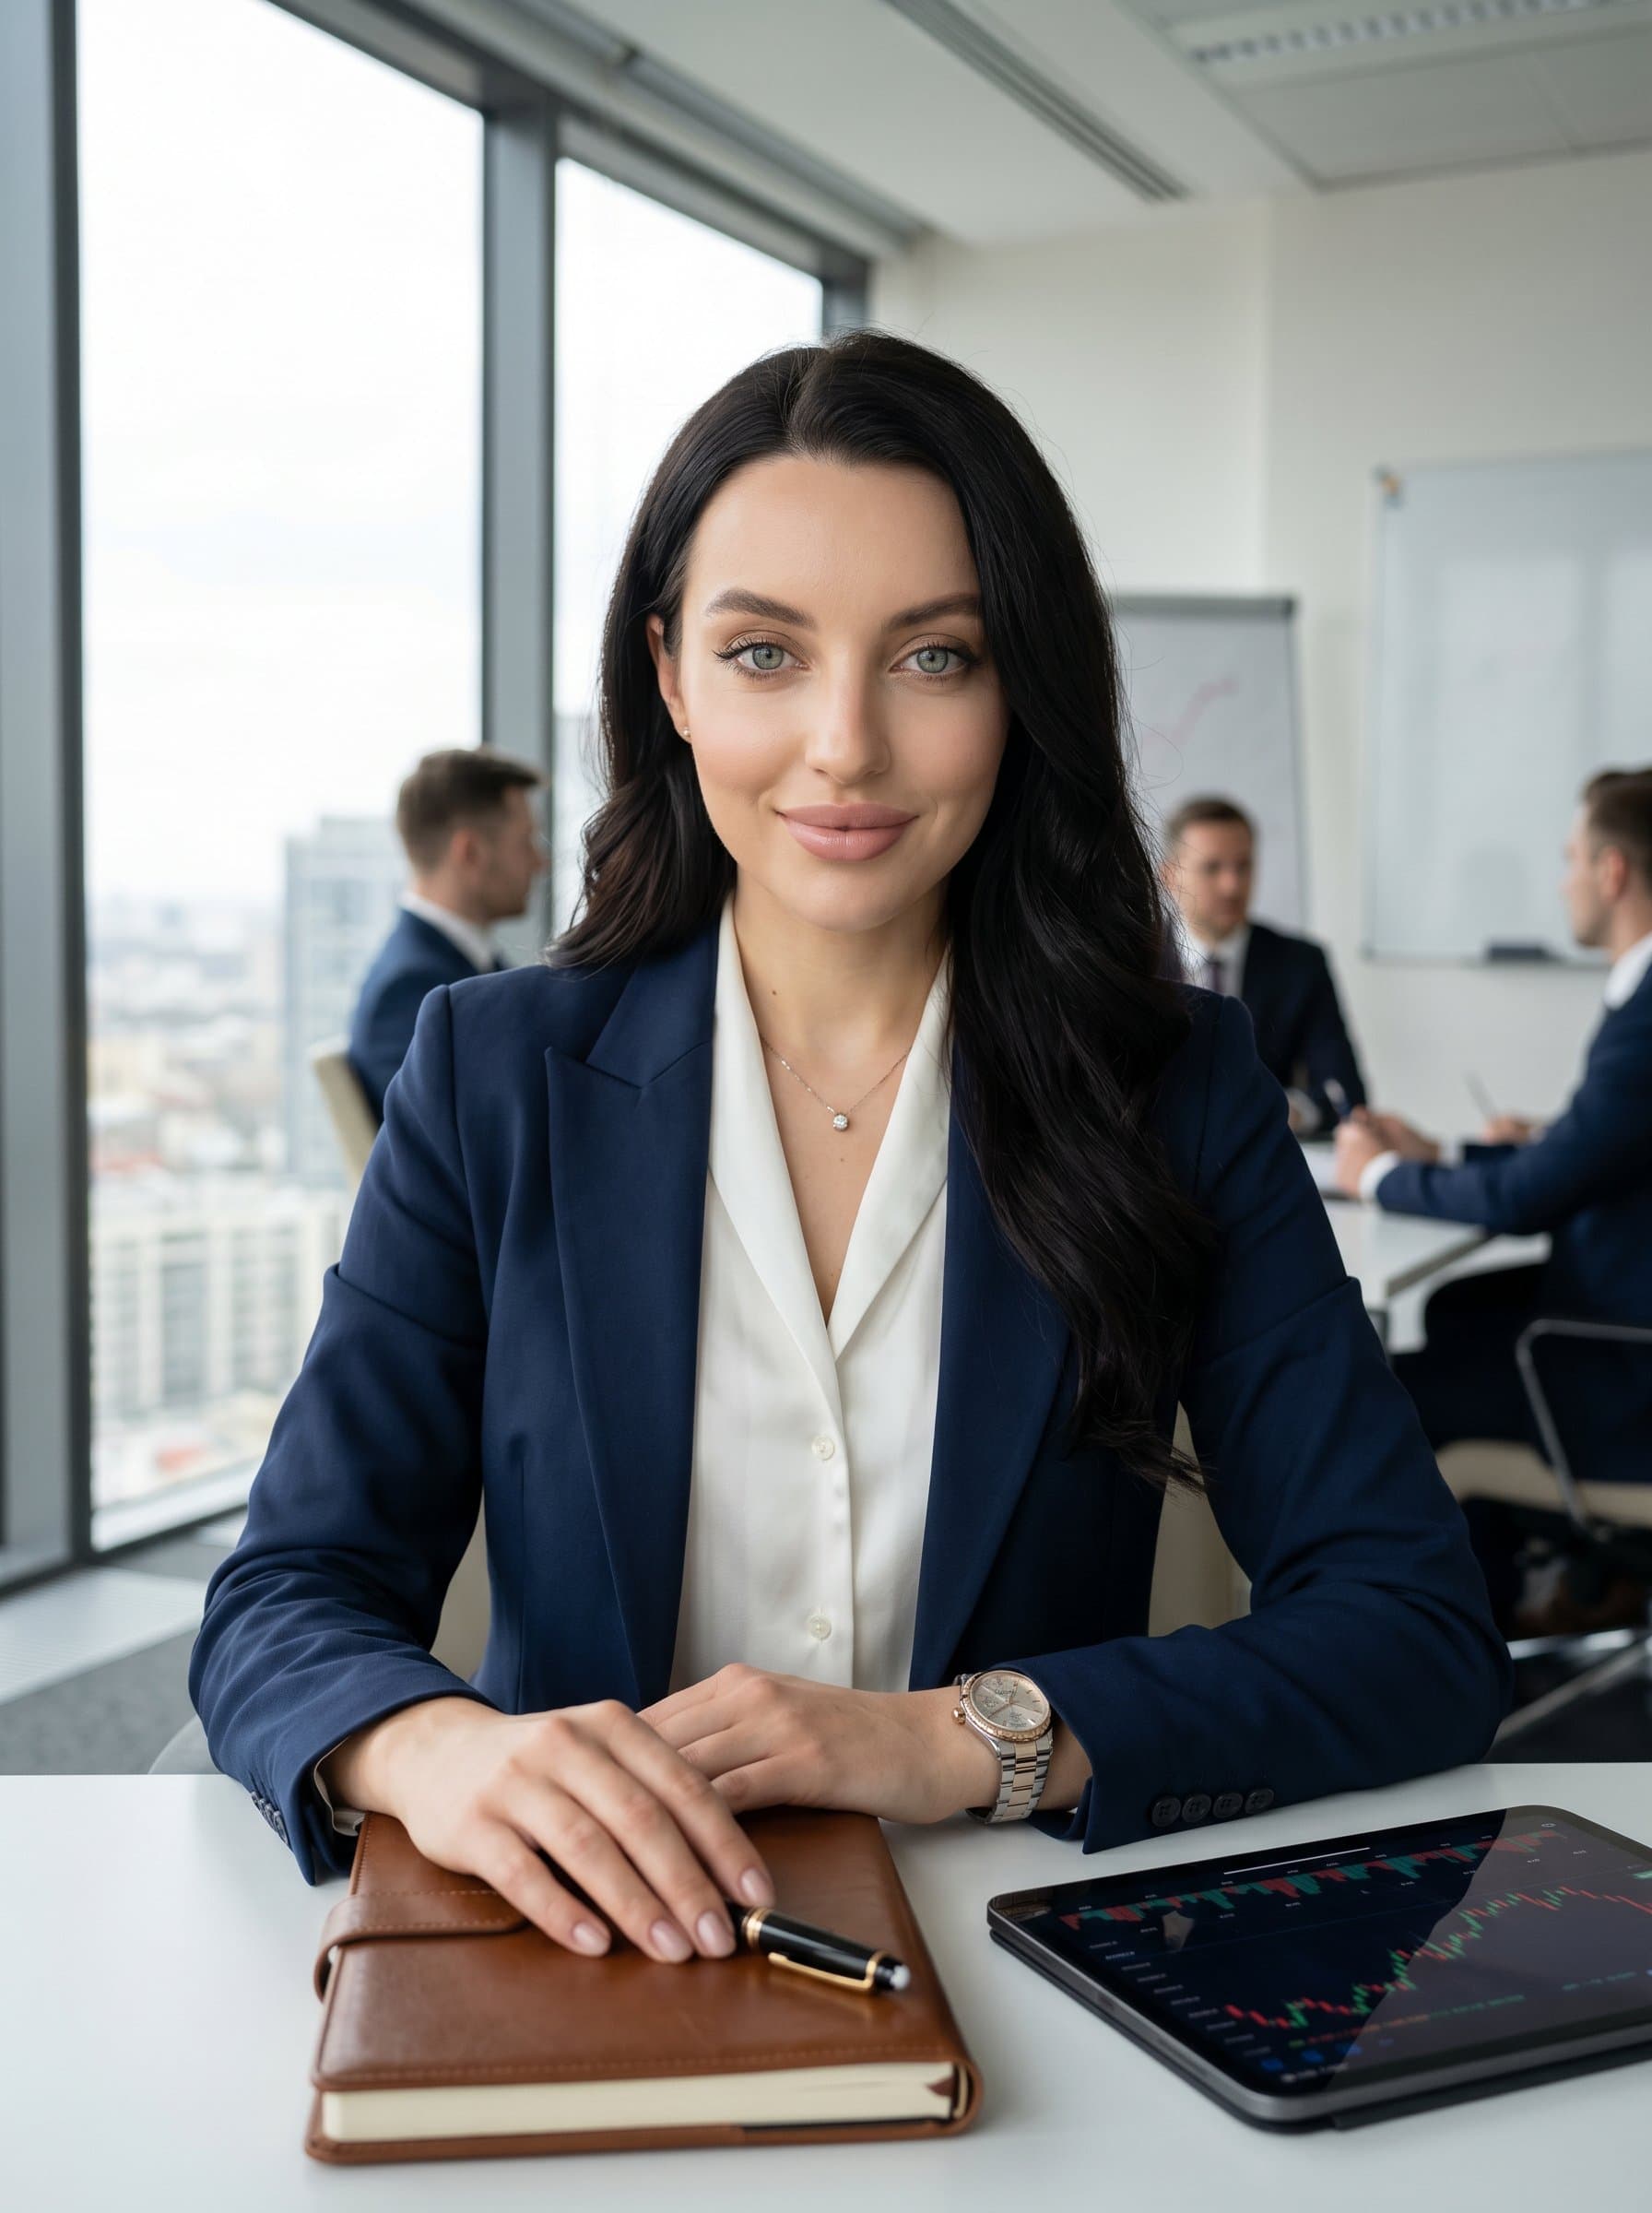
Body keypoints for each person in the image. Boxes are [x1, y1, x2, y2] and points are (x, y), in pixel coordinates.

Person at [191, 331, 1506, 1973]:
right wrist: (434, 1749)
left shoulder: (1173, 1084)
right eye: (763, 654)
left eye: (932, 659)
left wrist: (965, 1737)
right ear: (666, 678)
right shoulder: (492, 1073)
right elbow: (285, 1593)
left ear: (1022, 687)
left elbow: (1417, 1630)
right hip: (585, 1968)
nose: (844, 746)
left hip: (1025, 1981)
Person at [1335, 768, 1652, 1627]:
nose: (1564, 881)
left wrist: (1376, 1179)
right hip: (1616, 1324)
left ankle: (1461, 1649)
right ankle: (1545, 1589)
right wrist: (1445, 1151)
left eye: (1571, 859)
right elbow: (1605, 1153)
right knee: (1456, 1315)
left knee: (1387, 1391)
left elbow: (1526, 1200)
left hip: (1625, 1384)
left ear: (1614, 873)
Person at [348, 747, 547, 1118]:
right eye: (525, 842)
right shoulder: (410, 990)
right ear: (470, 853)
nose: (540, 863)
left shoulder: (458, 966)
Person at [1160, 796, 1367, 1135]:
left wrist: (1283, 1111)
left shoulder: (1300, 963)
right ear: (1170, 875)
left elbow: (1345, 1093)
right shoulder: (1137, 959)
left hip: (1260, 1156)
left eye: (1244, 866)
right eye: (1212, 868)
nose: (1232, 885)